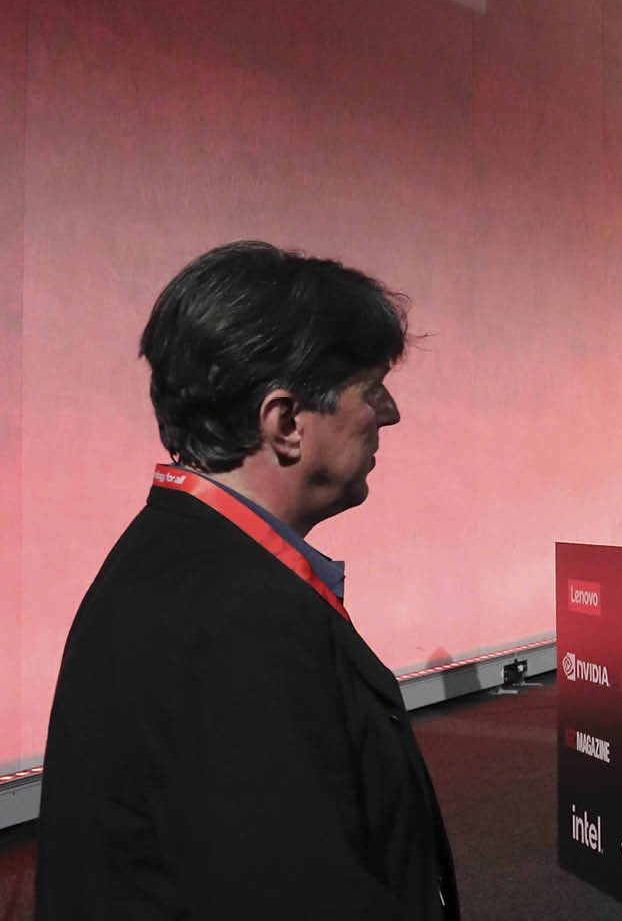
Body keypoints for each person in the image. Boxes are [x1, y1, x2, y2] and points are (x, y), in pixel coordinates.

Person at [36, 241, 458, 919]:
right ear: (285, 422)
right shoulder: (234, 621)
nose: (390, 413)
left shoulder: (182, 561)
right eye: (371, 388)